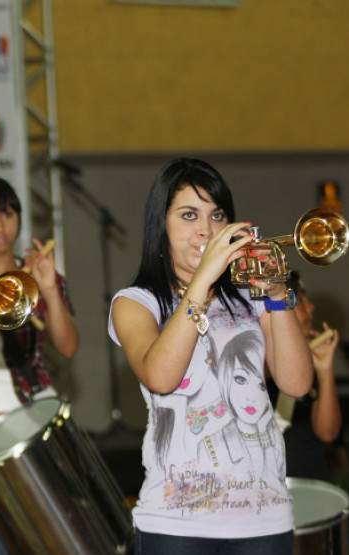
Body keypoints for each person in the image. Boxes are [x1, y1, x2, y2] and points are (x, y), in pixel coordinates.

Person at [107, 158, 313, 554]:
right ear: (160, 226)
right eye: (189, 215)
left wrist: (275, 297)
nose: (206, 229)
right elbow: (160, 376)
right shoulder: (137, 303)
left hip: (264, 517)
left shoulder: (253, 298)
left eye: (216, 215)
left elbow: (296, 384)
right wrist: (203, 279)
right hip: (174, 520)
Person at [0, 175, 79, 428]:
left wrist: (50, 290)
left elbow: (68, 348)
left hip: (32, 402)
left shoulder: (37, 274)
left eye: (7, 215)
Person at [266, 271, 342, 481]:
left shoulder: (309, 365)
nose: (311, 307)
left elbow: (328, 433)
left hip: (308, 485)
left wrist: (325, 370)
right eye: (300, 300)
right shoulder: (250, 359)